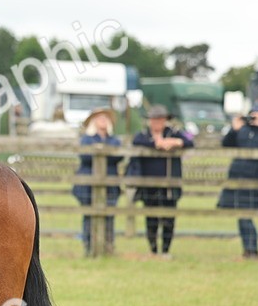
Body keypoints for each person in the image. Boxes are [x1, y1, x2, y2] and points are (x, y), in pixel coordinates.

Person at [217, 105, 258, 258]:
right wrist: (234, 129)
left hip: (255, 178)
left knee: (246, 214)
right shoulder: (243, 130)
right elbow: (226, 143)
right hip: (237, 176)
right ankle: (249, 250)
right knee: (242, 214)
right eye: (252, 115)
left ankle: (251, 250)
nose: (254, 119)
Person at [129, 105, 193, 258]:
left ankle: (165, 251)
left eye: (160, 119)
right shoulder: (143, 135)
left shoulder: (174, 133)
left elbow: (190, 141)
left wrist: (175, 142)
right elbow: (136, 142)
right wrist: (156, 144)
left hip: (170, 185)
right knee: (151, 218)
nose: (157, 123)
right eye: (154, 119)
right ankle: (153, 250)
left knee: (168, 219)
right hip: (149, 184)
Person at [72, 107, 123, 255]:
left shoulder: (114, 140)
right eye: (100, 118)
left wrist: (100, 153)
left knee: (109, 216)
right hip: (88, 184)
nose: (104, 121)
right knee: (89, 216)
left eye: (106, 118)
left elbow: (118, 156)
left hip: (110, 184)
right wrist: (105, 153)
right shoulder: (87, 139)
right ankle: (89, 246)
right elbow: (85, 157)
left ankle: (108, 246)